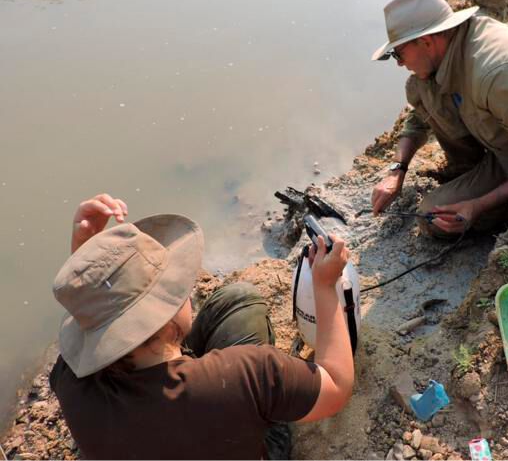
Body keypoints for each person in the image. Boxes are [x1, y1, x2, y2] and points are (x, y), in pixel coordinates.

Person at [49, 193, 354, 460]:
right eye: (176, 287)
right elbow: (337, 387)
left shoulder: (71, 383)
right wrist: (324, 287)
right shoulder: (246, 376)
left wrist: (88, 262)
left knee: (235, 298)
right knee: (244, 301)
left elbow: (94, 321)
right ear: (166, 316)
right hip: (232, 436)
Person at [370, 0, 508, 236]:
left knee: (431, 216)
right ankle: (471, 172)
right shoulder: (454, 46)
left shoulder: (495, 73)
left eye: (399, 53)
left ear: (426, 41)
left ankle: (501, 203)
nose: (399, 63)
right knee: (421, 87)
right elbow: (419, 118)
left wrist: (477, 205)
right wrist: (397, 170)